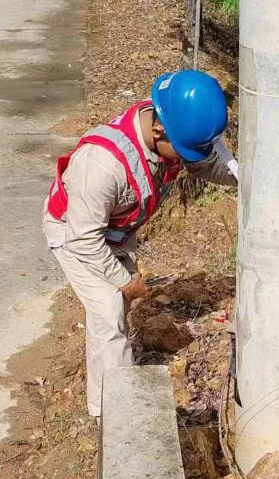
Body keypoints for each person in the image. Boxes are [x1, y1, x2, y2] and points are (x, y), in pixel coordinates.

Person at [42, 69, 238, 417]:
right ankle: (113, 415)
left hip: (115, 229)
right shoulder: (101, 166)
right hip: (74, 233)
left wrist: (243, 176)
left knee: (116, 312)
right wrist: (124, 282)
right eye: (183, 151)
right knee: (108, 308)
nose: (187, 159)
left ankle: (111, 385)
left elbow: (207, 160)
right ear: (159, 131)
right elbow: (83, 239)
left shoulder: (170, 123)